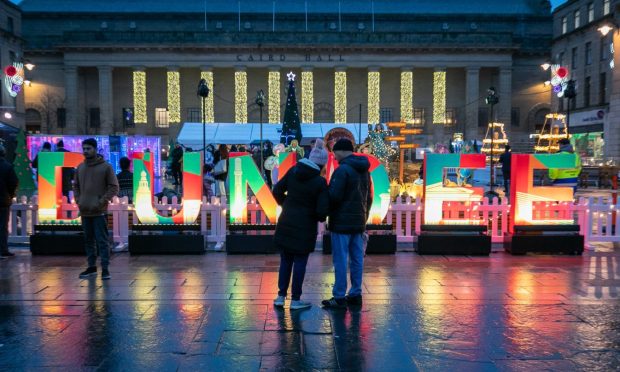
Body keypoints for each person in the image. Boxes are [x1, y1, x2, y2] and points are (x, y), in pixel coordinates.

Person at [273, 155, 329, 310]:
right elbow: (322, 211)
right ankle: (296, 300)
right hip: (305, 226)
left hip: (286, 221)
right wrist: (317, 216)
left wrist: (286, 204)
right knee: (300, 262)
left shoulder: (293, 171)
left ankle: (280, 296)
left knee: (285, 260)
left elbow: (277, 190)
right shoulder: (320, 182)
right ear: (321, 165)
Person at [322, 139, 372, 309]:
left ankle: (339, 296)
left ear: (342, 151)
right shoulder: (365, 171)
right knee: (357, 259)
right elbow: (369, 197)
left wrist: (327, 212)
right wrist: (364, 217)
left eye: (335, 152)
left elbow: (334, 197)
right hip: (358, 222)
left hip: (341, 223)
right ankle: (356, 293)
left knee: (341, 259)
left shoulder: (342, 170)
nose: (334, 156)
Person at [74, 138, 119, 280]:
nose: (86, 151)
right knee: (88, 240)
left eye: (89, 148)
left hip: (99, 211)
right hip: (85, 210)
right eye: (84, 148)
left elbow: (114, 187)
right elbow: (76, 186)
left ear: (95, 149)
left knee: (102, 241)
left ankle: (105, 269)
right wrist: (78, 200)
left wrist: (102, 201)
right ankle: (92, 267)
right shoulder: (80, 167)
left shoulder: (106, 167)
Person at [0, 144, 18, 258]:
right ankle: (3, 249)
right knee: (2, 226)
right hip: (2, 201)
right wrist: (10, 195)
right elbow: (13, 183)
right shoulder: (7, 166)